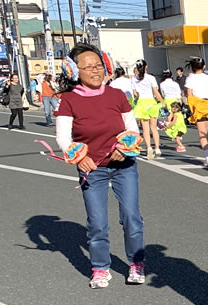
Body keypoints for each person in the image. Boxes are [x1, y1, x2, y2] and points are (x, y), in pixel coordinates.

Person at [54, 43, 145, 289]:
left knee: (131, 216)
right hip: (92, 168)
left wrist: (124, 147)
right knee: (97, 221)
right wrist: (77, 157)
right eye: (88, 67)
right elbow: (63, 137)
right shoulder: (69, 100)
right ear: (75, 71)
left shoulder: (117, 95)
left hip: (124, 164)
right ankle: (100, 267)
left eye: (98, 65)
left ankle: (136, 263)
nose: (95, 71)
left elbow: (132, 129)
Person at [185, 57, 208, 167]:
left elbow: (189, 96)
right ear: (204, 66)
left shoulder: (190, 79)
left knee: (201, 132)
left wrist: (191, 109)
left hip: (197, 105)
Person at [131, 60, 163, 159]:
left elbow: (135, 93)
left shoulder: (133, 78)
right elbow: (156, 92)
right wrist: (162, 102)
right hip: (151, 102)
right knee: (154, 127)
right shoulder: (151, 78)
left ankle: (149, 147)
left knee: (145, 128)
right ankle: (157, 148)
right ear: (146, 67)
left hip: (142, 103)